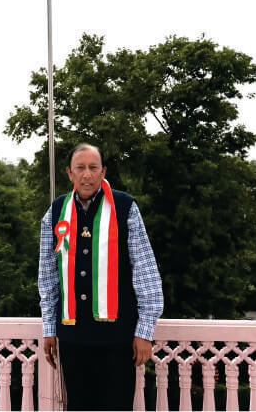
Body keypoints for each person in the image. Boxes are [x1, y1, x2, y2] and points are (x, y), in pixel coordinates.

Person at [38, 143, 164, 411]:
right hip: (72, 338)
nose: (87, 174)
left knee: (117, 405)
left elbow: (145, 270)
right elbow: (47, 276)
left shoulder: (125, 206)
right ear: (69, 173)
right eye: (80, 168)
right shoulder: (56, 211)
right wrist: (49, 328)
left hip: (118, 338)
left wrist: (145, 331)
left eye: (93, 167)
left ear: (103, 171)